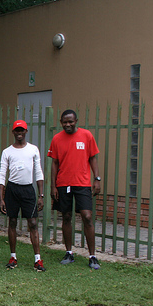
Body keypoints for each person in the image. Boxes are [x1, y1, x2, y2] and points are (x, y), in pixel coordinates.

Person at [48, 109, 102, 269]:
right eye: (65, 122)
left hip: (83, 183)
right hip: (64, 183)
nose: (68, 124)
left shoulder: (87, 136)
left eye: (70, 121)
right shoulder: (57, 139)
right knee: (66, 216)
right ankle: (69, 253)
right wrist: (53, 186)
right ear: (61, 122)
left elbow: (93, 158)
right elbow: (54, 163)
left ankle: (92, 256)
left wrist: (96, 179)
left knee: (86, 217)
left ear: (76, 120)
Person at [0, 120, 46, 272]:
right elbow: (1, 174)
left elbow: (38, 172)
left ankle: (37, 260)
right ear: (13, 132)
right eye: (17, 130)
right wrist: (1, 198)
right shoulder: (7, 152)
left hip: (28, 190)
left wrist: (41, 195)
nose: (19, 133)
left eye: (22, 130)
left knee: (32, 223)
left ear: (26, 131)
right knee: (12, 222)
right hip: (12, 189)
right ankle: (13, 257)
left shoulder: (33, 149)